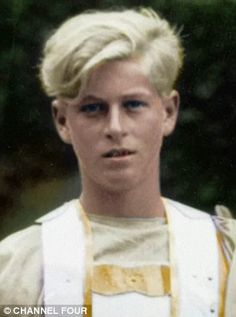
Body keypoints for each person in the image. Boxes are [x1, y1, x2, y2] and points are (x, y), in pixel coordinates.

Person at [0, 7, 235, 317]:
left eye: (133, 104)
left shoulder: (225, 256)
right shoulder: (20, 265)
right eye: (93, 108)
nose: (115, 127)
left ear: (168, 112)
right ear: (62, 120)